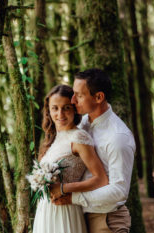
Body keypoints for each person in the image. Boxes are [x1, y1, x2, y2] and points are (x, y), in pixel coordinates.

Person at [51, 68, 135, 233]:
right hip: (77, 217)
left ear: (98, 97)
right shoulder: (82, 124)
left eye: (79, 96)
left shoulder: (118, 137)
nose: (73, 100)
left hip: (105, 220)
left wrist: (73, 197)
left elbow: (119, 192)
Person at [32, 84, 109, 233]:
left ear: (74, 108)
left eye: (66, 107)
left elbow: (101, 179)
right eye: (55, 108)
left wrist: (63, 188)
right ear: (49, 110)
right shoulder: (53, 137)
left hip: (65, 212)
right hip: (45, 211)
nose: (60, 114)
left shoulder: (79, 137)